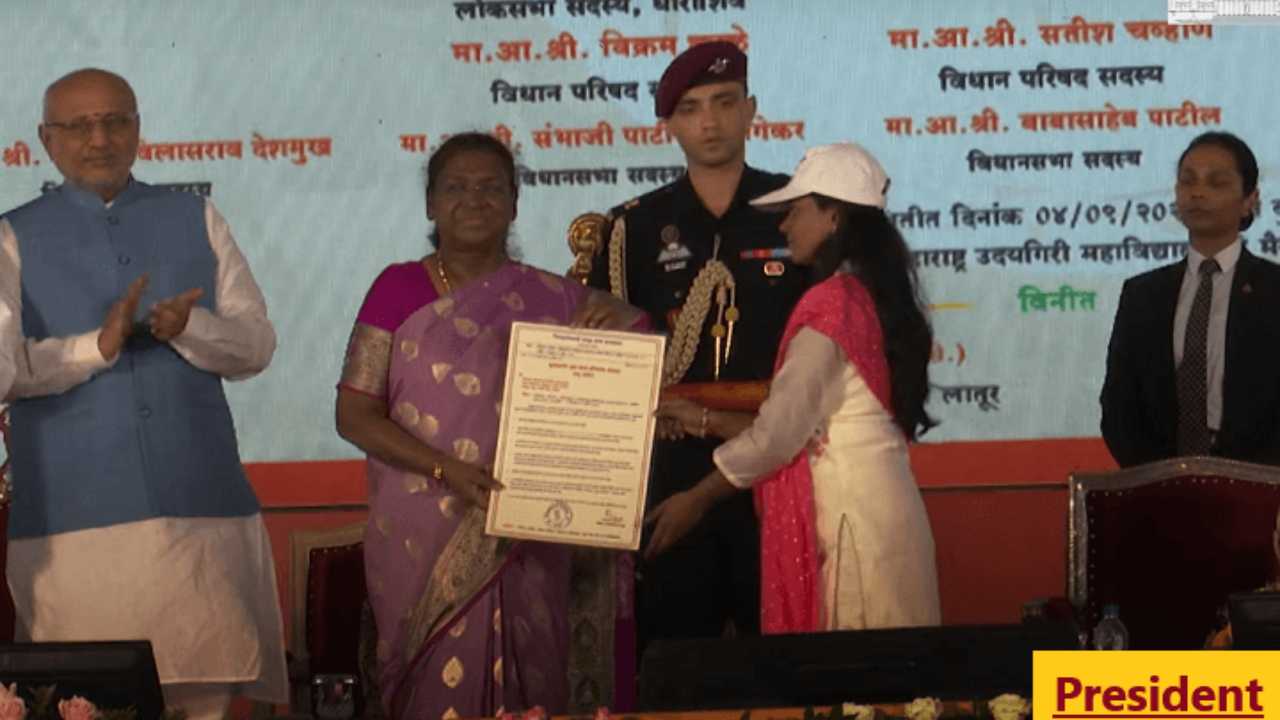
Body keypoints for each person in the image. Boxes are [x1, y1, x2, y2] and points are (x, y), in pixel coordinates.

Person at [0, 68, 286, 719]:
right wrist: (91, 349)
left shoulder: (196, 215)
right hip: (74, 525)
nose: (99, 138)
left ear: (138, 129)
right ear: (46, 140)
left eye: (115, 120)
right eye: (78, 125)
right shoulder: (11, 236)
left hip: (201, 512)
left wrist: (193, 327)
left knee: (204, 695)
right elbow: (3, 369)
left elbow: (256, 346)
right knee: (82, 700)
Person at [335, 132, 645, 719]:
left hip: (527, 532)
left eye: (490, 188)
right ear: (430, 203)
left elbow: (633, 362)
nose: (473, 200)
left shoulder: (555, 300)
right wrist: (445, 468)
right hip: (421, 534)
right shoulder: (395, 289)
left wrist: (621, 320)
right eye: (455, 187)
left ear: (514, 203)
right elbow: (353, 414)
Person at [647, 143, 941, 633]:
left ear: (834, 218)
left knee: (854, 694)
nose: (783, 226)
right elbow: (815, 427)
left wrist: (696, 499)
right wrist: (701, 418)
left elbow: (780, 437)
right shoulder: (873, 295)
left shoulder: (832, 305)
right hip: (883, 514)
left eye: (795, 211)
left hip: (852, 526)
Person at [583, 40, 808, 657]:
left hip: (778, 459)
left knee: (786, 655)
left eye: (724, 102)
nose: (709, 121)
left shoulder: (797, 208)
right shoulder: (634, 226)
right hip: (672, 466)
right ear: (671, 124)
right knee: (676, 656)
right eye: (690, 109)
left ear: (751, 109)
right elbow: (609, 360)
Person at [1101, 131, 1280, 467]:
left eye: (1217, 182)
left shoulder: (1274, 290)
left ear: (1249, 200)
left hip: (1263, 488)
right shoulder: (1142, 295)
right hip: (1161, 485)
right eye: (1188, 181)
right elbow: (1118, 405)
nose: (1198, 192)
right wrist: (1159, 475)